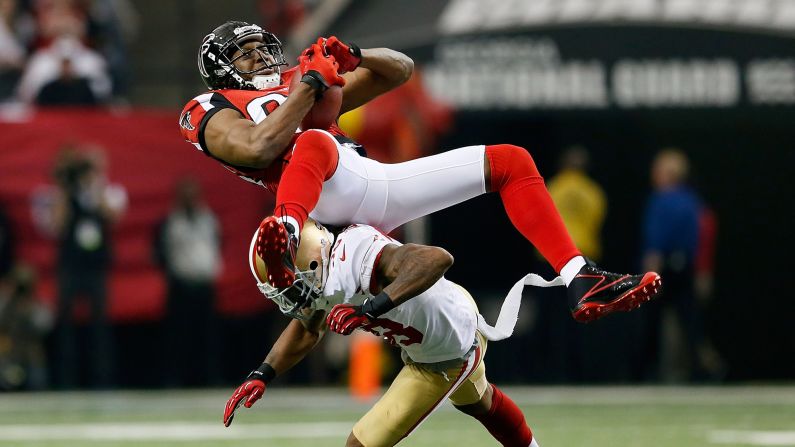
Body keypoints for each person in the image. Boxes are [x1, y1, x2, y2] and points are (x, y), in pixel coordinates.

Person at [179, 20, 661, 323]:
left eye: (264, 47)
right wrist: (308, 86)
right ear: (222, 68)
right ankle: (284, 230)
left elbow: (401, 70)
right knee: (313, 140)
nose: (263, 57)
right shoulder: (209, 106)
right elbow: (260, 146)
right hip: (317, 195)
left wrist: (353, 56)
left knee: (511, 161)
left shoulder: (298, 78)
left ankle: (580, 278)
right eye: (247, 53)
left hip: (365, 176)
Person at [224, 219, 539, 447]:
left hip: (446, 354)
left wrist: (369, 309)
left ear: (314, 259)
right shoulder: (324, 276)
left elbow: (437, 259)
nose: (290, 297)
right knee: (478, 402)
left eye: (291, 286)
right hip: (446, 326)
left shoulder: (357, 256)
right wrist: (262, 373)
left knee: (360, 445)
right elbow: (308, 328)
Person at [640, 148, 723, 381]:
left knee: (652, 323)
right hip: (686, 268)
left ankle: (646, 373)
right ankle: (703, 371)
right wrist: (702, 273)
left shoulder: (661, 201)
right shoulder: (693, 202)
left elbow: (655, 240)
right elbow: (701, 241)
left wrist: (651, 272)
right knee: (690, 323)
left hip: (666, 268)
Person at [51, 147, 126, 388]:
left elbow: (112, 215)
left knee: (99, 325)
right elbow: (58, 224)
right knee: (66, 325)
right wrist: (67, 185)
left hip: (95, 268)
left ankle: (102, 379)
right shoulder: (67, 194)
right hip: (71, 266)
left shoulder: (108, 191)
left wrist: (97, 183)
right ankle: (66, 380)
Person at [153, 177, 222, 387]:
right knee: (179, 337)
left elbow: (218, 244)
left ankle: (209, 377)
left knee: (207, 336)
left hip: (204, 284)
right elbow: (159, 252)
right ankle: (176, 378)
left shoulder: (208, 219)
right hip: (181, 285)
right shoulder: (170, 222)